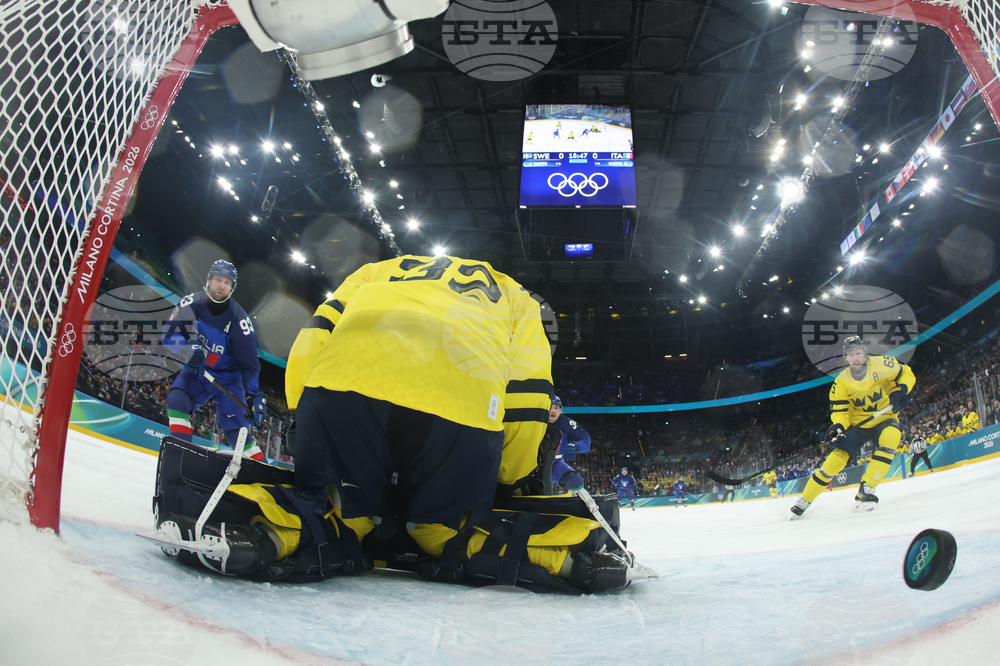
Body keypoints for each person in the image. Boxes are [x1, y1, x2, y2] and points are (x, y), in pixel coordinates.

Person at [276, 255, 630, 591]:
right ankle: (568, 559)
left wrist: (302, 412)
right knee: (441, 531)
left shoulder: (379, 269)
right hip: (459, 403)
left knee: (341, 514)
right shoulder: (519, 301)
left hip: (342, 382)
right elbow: (527, 397)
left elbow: (314, 334)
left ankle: (270, 535)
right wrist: (516, 479)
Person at [791, 336, 915, 518]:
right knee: (835, 461)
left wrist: (902, 388)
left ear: (865, 353)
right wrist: (838, 427)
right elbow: (840, 411)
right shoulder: (841, 382)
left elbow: (907, 373)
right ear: (846, 358)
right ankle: (806, 499)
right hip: (857, 425)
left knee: (891, 438)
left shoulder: (883, 364)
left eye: (858, 352)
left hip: (884, 418)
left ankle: (867, 489)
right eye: (851, 354)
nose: (855, 357)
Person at [161, 260, 267, 460]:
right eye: (218, 280)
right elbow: (168, 337)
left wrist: (253, 395)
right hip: (198, 371)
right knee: (176, 401)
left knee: (236, 432)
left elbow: (249, 366)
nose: (222, 286)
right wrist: (187, 349)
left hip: (228, 380)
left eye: (227, 283)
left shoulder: (239, 320)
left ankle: (267, 472)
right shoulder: (190, 303)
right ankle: (181, 460)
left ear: (231, 289)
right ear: (208, 281)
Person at [547, 396, 592, 493]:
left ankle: (578, 504)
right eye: (550, 407)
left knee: (576, 481)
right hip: (530, 462)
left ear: (561, 409)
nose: (553, 411)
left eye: (556, 408)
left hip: (554, 462)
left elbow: (586, 440)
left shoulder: (567, 424)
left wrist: (577, 446)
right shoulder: (533, 422)